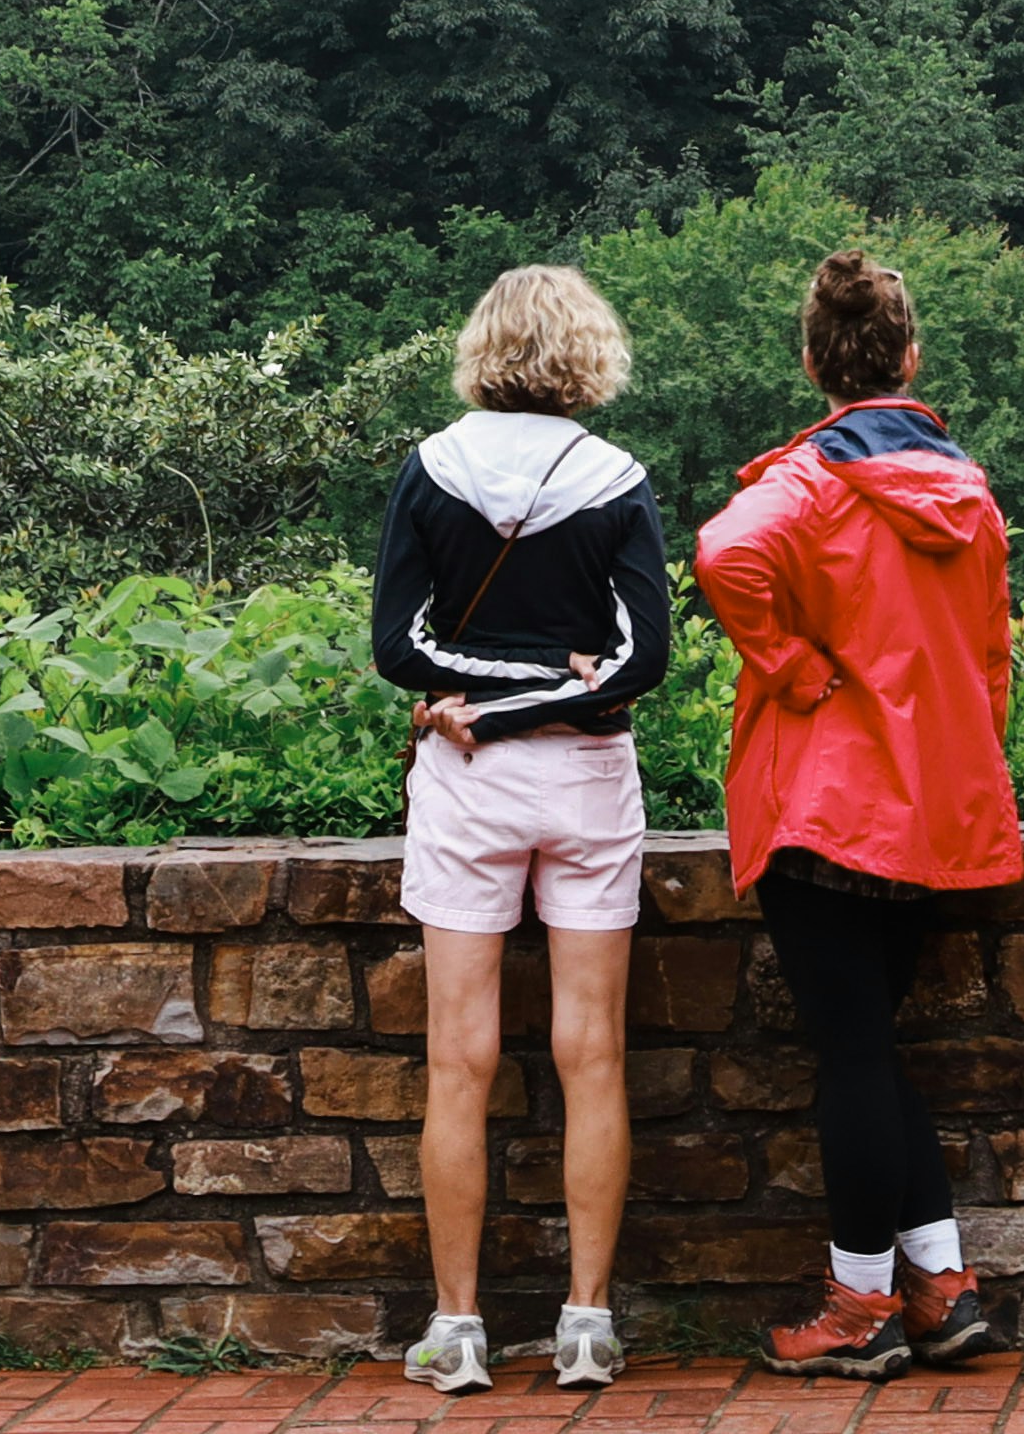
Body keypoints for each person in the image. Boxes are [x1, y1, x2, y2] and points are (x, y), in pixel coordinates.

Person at [690, 247, 1020, 1382]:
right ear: (910, 356)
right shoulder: (964, 488)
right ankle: (943, 1284)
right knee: (871, 1050)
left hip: (827, 803)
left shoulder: (808, 482)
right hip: (928, 801)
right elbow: (989, 656)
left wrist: (789, 666)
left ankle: (859, 1306)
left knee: (852, 1058)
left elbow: (724, 549)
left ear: (812, 361)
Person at [371, 263, 678, 1395]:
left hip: (468, 773)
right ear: (587, 351)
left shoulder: (430, 469)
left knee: (460, 1056)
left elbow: (399, 647)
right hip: (589, 778)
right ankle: (587, 1320)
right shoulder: (617, 478)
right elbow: (641, 659)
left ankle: (457, 1327)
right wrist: (560, 683)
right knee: (590, 1050)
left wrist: (484, 704)